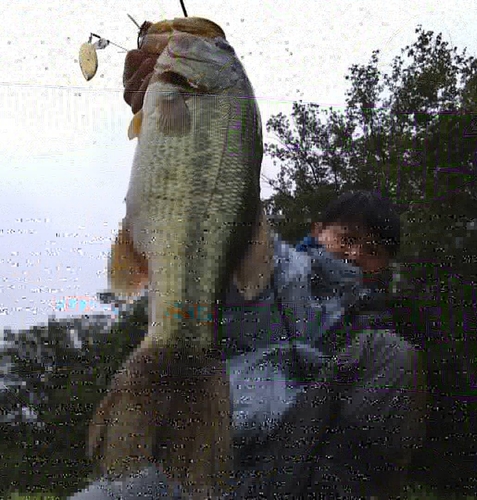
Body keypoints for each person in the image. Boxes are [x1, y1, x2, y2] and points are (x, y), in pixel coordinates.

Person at [71, 47, 426, 500]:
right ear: (318, 230)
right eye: (347, 237)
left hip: (291, 472)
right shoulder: (276, 264)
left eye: (372, 250)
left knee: (389, 355)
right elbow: (220, 234)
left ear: (385, 267)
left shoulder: (371, 328)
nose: (355, 254)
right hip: (204, 443)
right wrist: (167, 114)